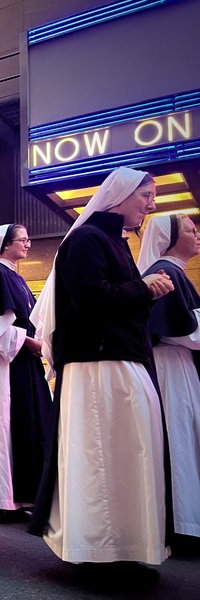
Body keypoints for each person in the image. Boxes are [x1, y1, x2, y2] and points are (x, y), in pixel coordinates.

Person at [28, 167, 173, 579]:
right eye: (146, 195)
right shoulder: (89, 239)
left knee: (127, 455)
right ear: (122, 195)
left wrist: (144, 289)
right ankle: (97, 550)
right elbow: (91, 298)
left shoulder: (112, 240)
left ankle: (124, 547)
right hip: (98, 365)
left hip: (117, 361)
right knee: (102, 457)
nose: (152, 203)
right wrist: (144, 288)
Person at [0, 224, 52, 520]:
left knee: (28, 424)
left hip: (21, 360)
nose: (27, 244)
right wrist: (30, 341)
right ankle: (4, 498)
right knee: (7, 424)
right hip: (5, 362)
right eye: (22, 240)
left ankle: (19, 497)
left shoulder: (14, 276)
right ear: (5, 244)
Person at [139, 213, 200, 539]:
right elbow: (180, 330)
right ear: (171, 238)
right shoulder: (165, 273)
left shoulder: (174, 271)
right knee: (176, 438)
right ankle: (180, 522)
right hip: (169, 368)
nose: (197, 235)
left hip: (178, 366)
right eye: (191, 230)